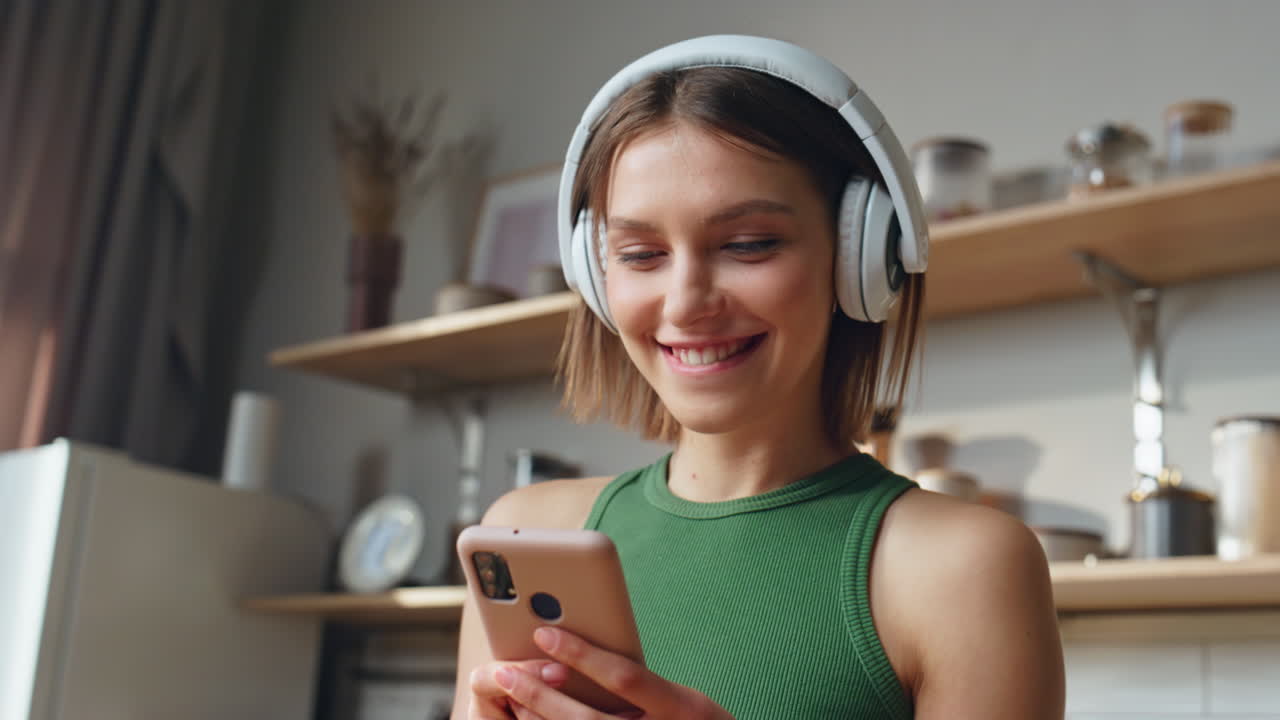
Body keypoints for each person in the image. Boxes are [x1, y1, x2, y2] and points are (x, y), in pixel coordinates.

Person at [452, 35, 1064, 720]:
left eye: (748, 244)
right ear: (597, 280)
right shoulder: (525, 536)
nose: (685, 303)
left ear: (859, 253)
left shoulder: (964, 567)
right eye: (641, 253)